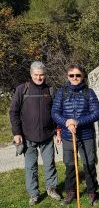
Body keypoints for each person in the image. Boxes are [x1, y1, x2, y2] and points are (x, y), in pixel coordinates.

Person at [9, 61, 61, 205]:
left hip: (47, 136)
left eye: (42, 75)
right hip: (27, 137)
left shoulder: (50, 90)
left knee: (49, 164)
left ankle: (51, 189)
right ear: (31, 74)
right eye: (36, 75)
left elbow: (56, 113)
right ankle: (34, 194)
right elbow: (13, 112)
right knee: (31, 167)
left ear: (45, 74)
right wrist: (16, 132)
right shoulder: (22, 89)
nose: (39, 78)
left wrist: (58, 131)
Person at [51, 63, 99, 205]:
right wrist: (66, 122)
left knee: (89, 163)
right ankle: (70, 191)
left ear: (83, 76)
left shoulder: (88, 92)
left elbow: (96, 113)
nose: (75, 78)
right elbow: (54, 112)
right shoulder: (61, 92)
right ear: (68, 77)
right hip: (67, 135)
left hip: (86, 135)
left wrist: (78, 121)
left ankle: (92, 192)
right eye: (71, 75)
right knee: (70, 165)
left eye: (78, 75)